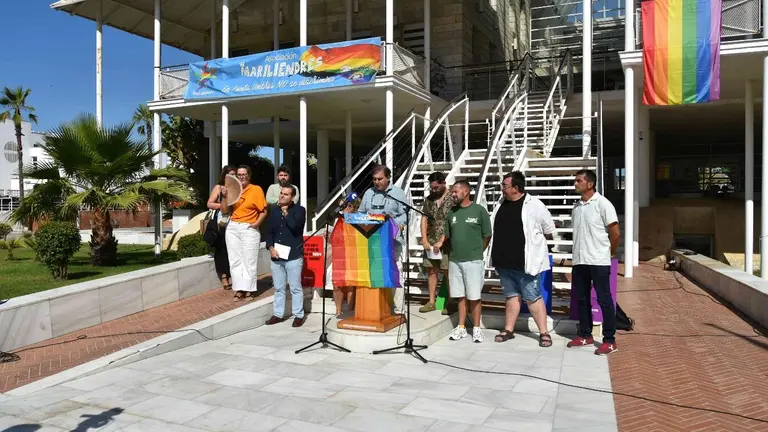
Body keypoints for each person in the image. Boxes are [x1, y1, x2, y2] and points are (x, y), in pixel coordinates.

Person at [492, 172, 556, 347]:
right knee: (511, 296)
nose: (502, 189)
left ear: (516, 188)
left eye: (504, 186)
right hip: (504, 262)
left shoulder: (534, 205)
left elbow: (549, 228)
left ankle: (543, 332)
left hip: (526, 263)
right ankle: (509, 329)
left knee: (532, 296)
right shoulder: (500, 203)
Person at [568, 169, 621, 355]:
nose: (575, 183)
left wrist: (610, 253)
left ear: (590, 184)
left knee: (604, 299)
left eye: (579, 180)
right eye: (575, 180)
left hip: (598, 260)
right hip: (580, 260)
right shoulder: (576, 207)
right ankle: (585, 335)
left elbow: (615, 233)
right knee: (581, 299)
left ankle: (610, 340)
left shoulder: (603, 204)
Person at [444, 180, 492, 343]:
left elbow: (487, 235)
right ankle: (462, 327)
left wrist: (477, 251)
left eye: (455, 192)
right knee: (460, 296)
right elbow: (449, 236)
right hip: (455, 261)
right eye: (452, 192)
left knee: (474, 296)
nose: (453, 194)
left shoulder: (479, 211)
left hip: (473, 260)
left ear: (466, 192)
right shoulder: (451, 213)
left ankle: (477, 329)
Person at [357, 165, 408, 317]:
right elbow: (361, 213)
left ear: (388, 178)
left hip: (392, 241)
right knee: (375, 273)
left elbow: (405, 215)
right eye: (374, 179)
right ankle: (378, 307)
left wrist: (397, 224)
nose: (376, 182)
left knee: (395, 273)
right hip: (372, 241)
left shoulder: (397, 193)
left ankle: (398, 310)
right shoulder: (368, 193)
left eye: (380, 179)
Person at [221, 165, 268, 301]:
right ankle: (239, 289)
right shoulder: (232, 189)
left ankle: (249, 289)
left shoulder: (256, 189)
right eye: (238, 174)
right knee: (235, 260)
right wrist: (224, 197)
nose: (241, 176)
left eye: (243, 174)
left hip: (249, 227)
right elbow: (224, 211)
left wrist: (256, 224)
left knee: (249, 260)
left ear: (249, 175)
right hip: (233, 227)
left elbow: (263, 211)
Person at [265, 185, 307, 327]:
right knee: (278, 287)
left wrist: (286, 213)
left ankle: (298, 315)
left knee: (295, 287)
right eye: (281, 193)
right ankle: (278, 314)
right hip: (277, 256)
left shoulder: (299, 210)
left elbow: (295, 227)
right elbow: (269, 232)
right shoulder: (274, 211)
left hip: (293, 256)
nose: (282, 196)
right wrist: (270, 247)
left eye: (286, 194)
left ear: (292, 197)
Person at [419, 172, 453, 314]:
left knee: (447, 272)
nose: (434, 191)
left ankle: (448, 302)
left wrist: (442, 240)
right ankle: (432, 301)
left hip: (448, 241)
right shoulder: (429, 200)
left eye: (436, 188)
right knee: (432, 270)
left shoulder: (453, 198)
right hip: (431, 240)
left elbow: (452, 221)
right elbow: (424, 218)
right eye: (432, 188)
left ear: (443, 183)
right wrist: (424, 239)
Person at [206, 165, 236, 291]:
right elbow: (209, 203)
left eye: (235, 174)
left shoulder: (238, 188)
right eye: (230, 175)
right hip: (222, 221)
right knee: (222, 248)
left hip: (235, 221)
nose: (233, 177)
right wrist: (223, 205)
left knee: (233, 248)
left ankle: (233, 275)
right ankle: (224, 276)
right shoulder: (219, 187)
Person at [333, 196, 360, 317]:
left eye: (346, 206)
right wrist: (328, 236)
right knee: (337, 284)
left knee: (350, 284)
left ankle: (350, 311)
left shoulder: (358, 219)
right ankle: (338, 310)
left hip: (354, 254)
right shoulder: (338, 220)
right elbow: (333, 239)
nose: (343, 209)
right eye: (342, 206)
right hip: (340, 254)